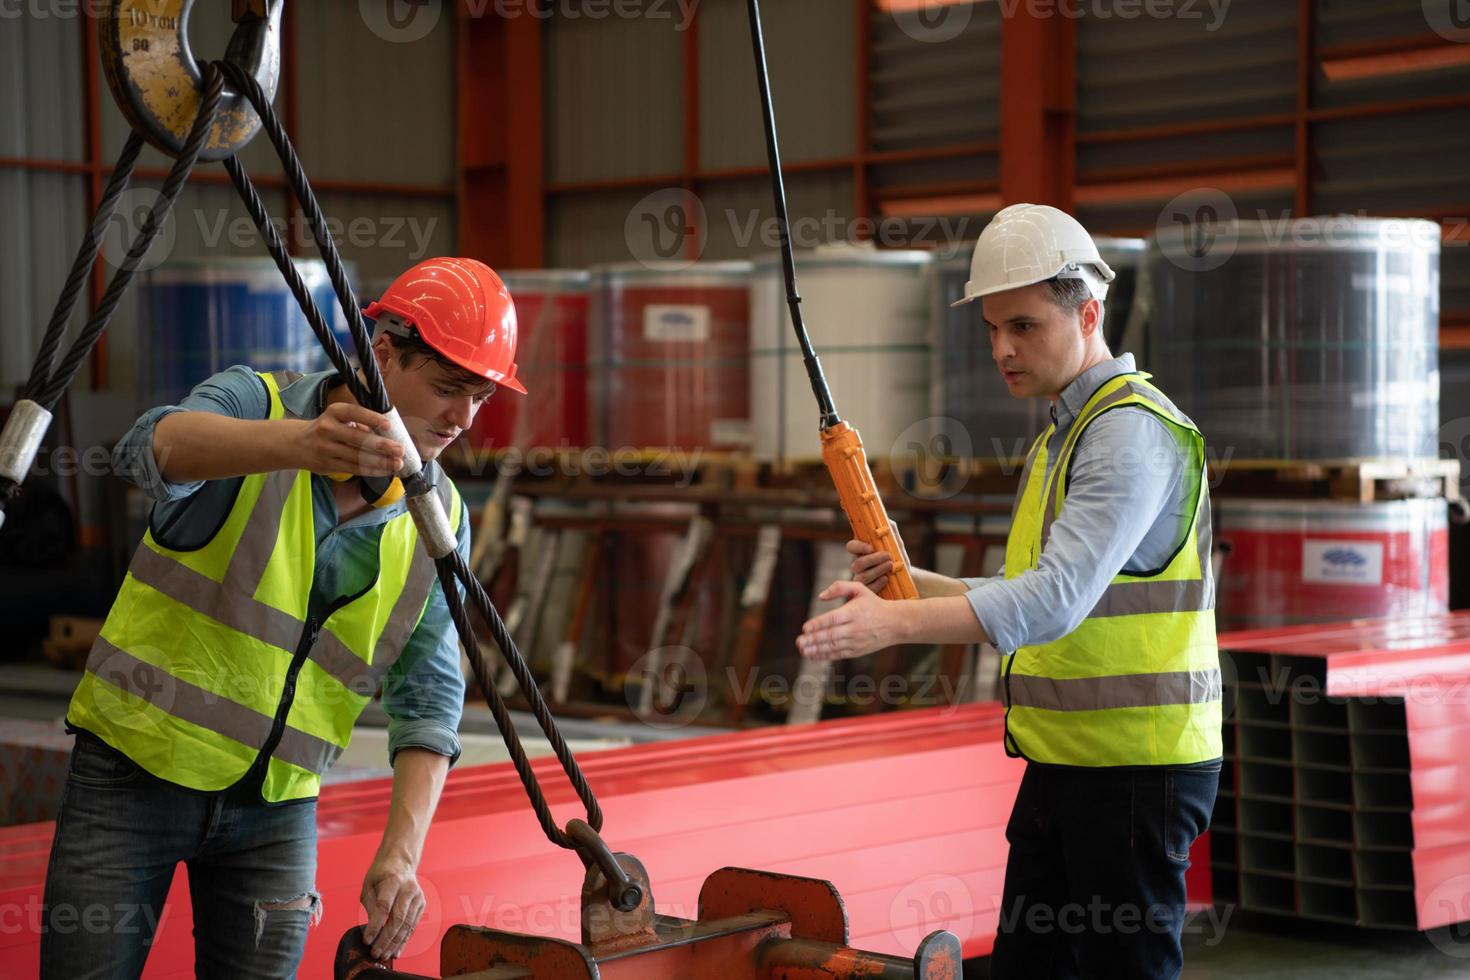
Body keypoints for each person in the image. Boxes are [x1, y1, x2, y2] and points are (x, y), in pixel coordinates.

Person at [40, 257, 525, 979]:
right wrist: (300, 446)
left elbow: (429, 693)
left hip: (276, 810)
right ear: (384, 355)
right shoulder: (253, 402)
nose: (463, 419)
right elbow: (151, 450)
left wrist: (400, 852)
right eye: (450, 389)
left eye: (481, 398)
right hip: (132, 774)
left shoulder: (440, 516)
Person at [796, 205, 1222, 979]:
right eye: (992, 329)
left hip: (1134, 775)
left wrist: (896, 628)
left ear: (1087, 312)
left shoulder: (1128, 434)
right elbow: (1030, 589)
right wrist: (909, 586)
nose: (1002, 348)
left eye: (1023, 326)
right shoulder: (1066, 432)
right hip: (1066, 765)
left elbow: (1053, 603)